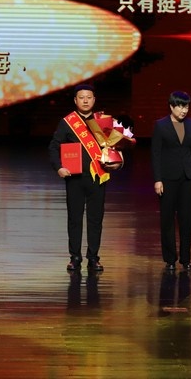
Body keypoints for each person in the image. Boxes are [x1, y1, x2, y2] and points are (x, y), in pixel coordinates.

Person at [49, 83, 118, 273]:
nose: (85, 101)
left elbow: (114, 148)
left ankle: (93, 258)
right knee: (75, 219)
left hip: (98, 177)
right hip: (74, 179)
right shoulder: (67, 122)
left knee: (95, 219)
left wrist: (116, 163)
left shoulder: (103, 122)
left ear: (94, 100)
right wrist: (59, 167)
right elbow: (54, 147)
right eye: (81, 97)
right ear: (75, 100)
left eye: (89, 97)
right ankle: (75, 257)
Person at [151, 91, 191, 273]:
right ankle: (170, 259)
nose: (184, 110)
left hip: (187, 177)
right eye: (180, 106)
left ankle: (186, 258)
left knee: (186, 219)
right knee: (167, 219)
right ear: (171, 106)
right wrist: (157, 179)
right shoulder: (160, 125)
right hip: (167, 177)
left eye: (186, 106)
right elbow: (156, 154)